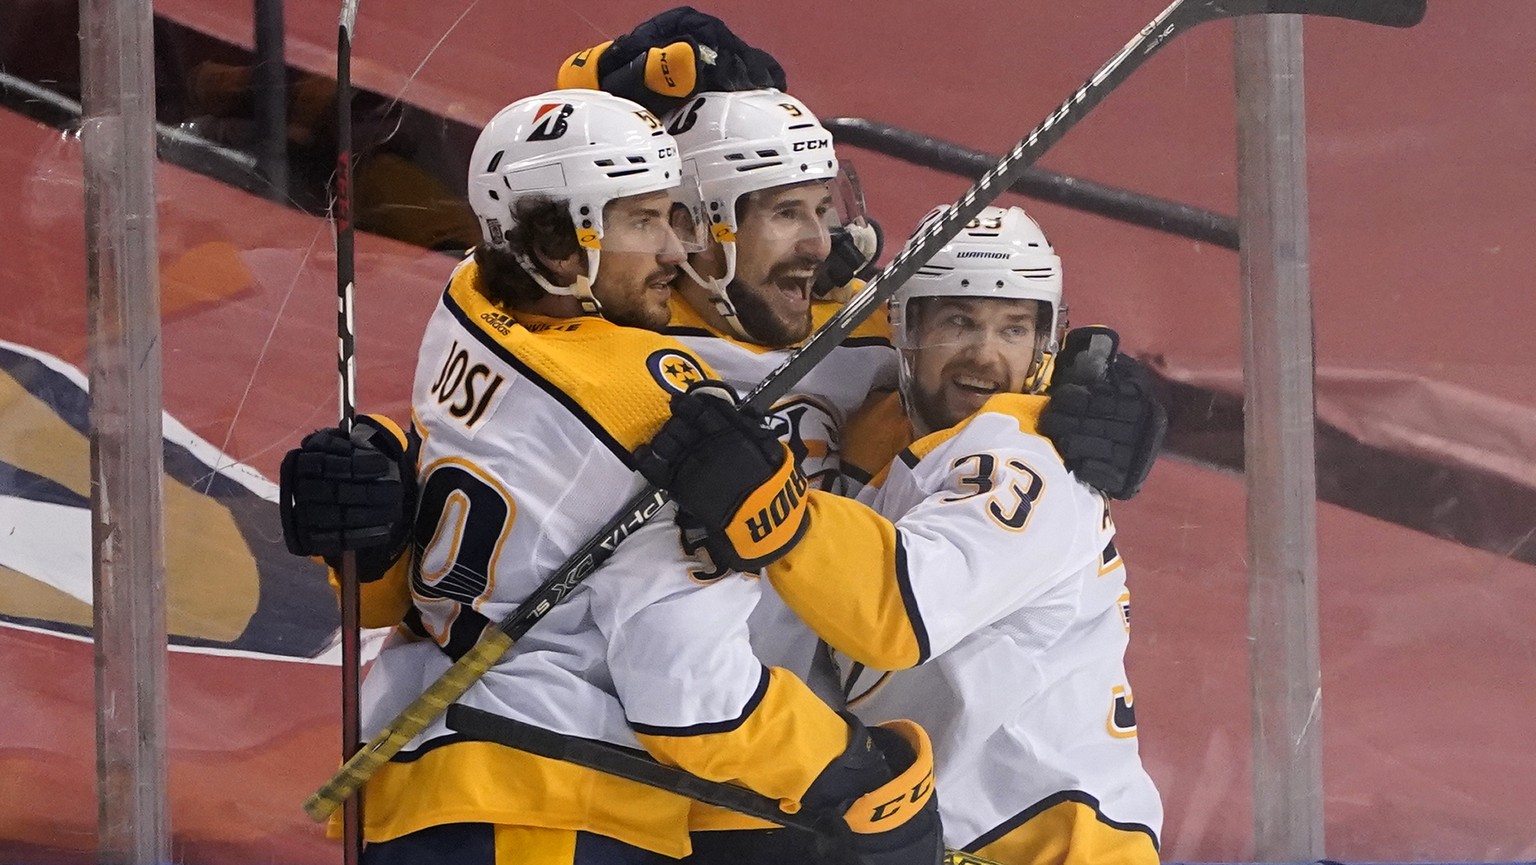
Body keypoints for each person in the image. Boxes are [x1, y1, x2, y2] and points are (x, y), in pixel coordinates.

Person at [293, 87, 945, 865]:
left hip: (412, 784)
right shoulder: (662, 412)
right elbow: (686, 692)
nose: (675, 249)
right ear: (561, 248)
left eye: (675, 215)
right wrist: (845, 771)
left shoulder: (471, 296)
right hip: (559, 802)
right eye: (644, 221)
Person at [638, 205, 1163, 865]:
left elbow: (894, 608)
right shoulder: (893, 443)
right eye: (958, 321)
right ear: (905, 332)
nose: (984, 352)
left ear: (1044, 346)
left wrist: (773, 508)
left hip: (1053, 848)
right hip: (955, 840)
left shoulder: (1029, 460)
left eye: (1013, 328)